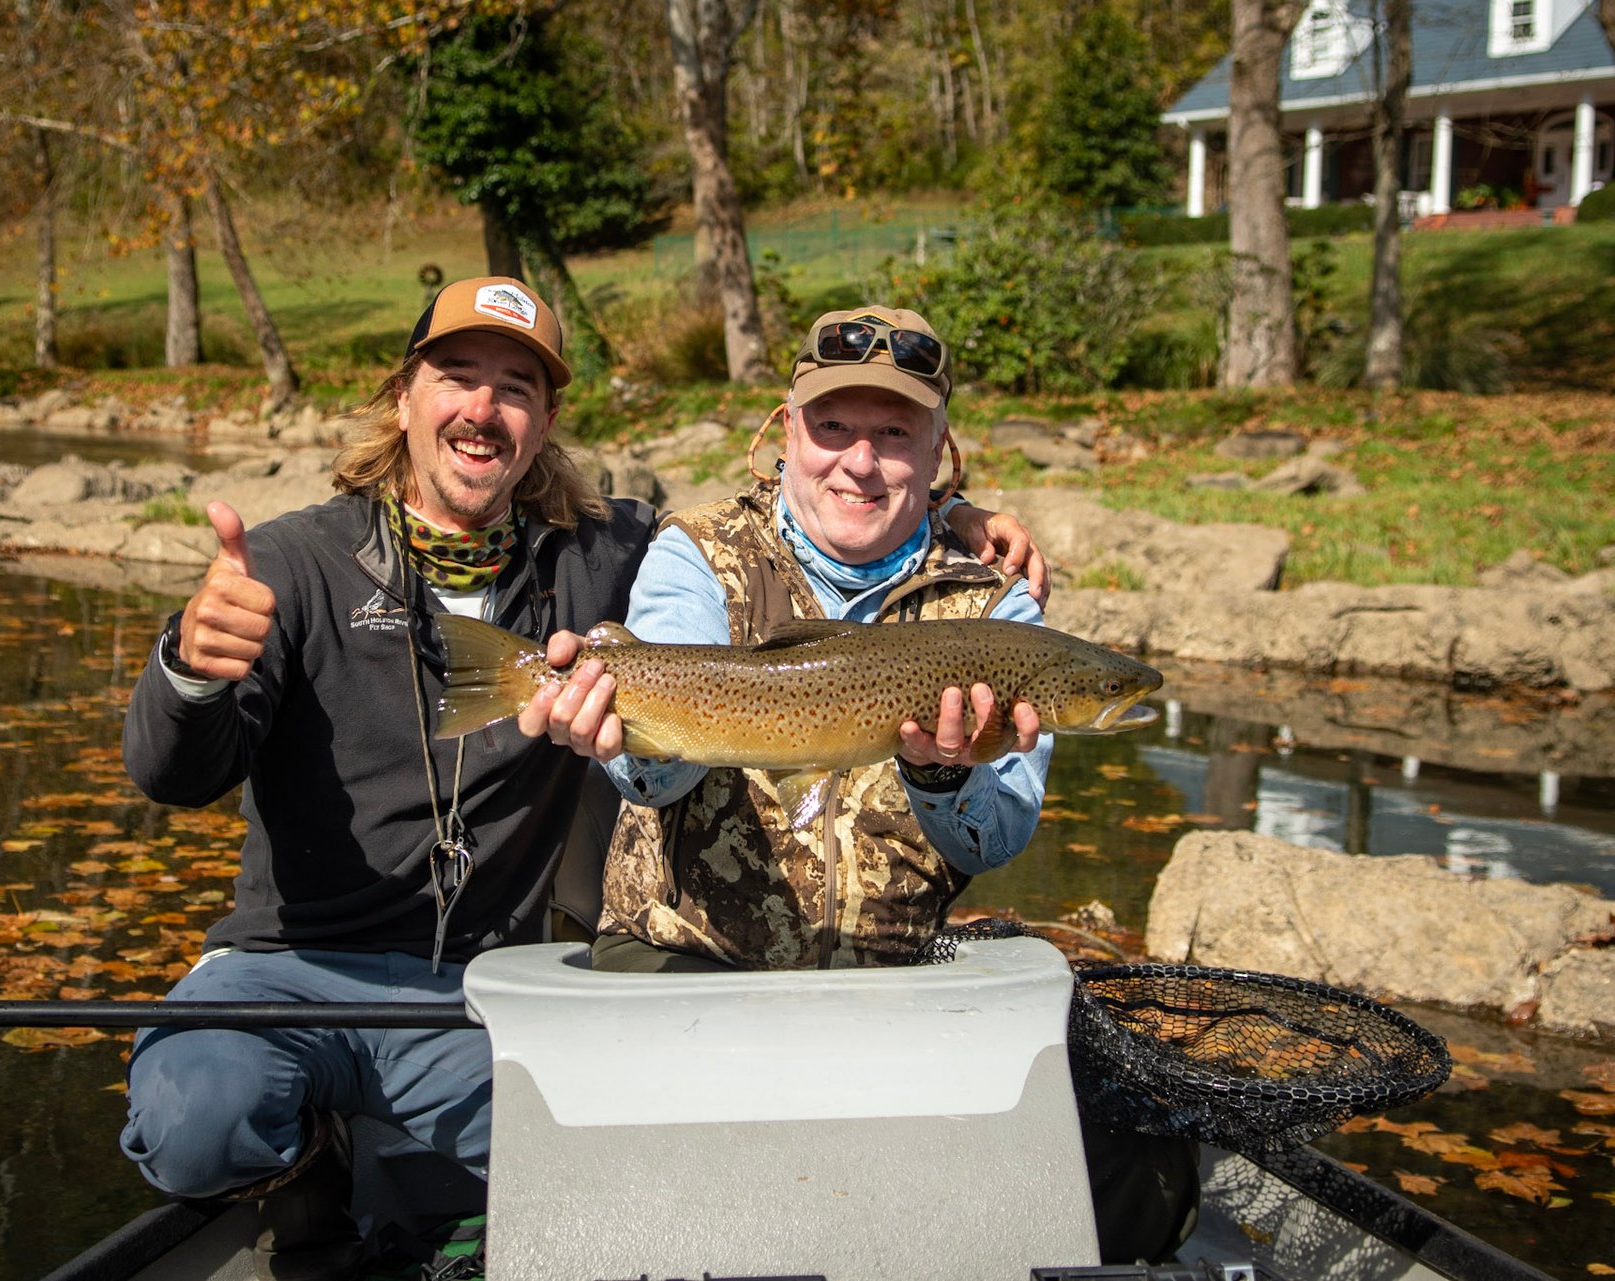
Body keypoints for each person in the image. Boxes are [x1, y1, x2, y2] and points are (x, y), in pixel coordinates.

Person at [117, 278, 1047, 1280]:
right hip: (288, 962)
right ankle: (306, 1173)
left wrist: (954, 514)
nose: (483, 409)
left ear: (547, 419)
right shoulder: (291, 563)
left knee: (621, 1180)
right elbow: (174, 775)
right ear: (403, 396)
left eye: (515, 387)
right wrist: (187, 669)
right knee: (196, 1120)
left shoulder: (601, 554)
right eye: (457, 377)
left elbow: (836, 501)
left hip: (473, 989)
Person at [522, 304, 1200, 1261]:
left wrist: (940, 773)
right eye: (833, 427)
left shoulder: (997, 609)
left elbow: (994, 836)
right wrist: (625, 737)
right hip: (686, 973)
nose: (860, 461)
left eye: (894, 433)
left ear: (938, 451)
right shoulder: (697, 552)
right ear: (785, 433)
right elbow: (653, 777)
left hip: (890, 997)